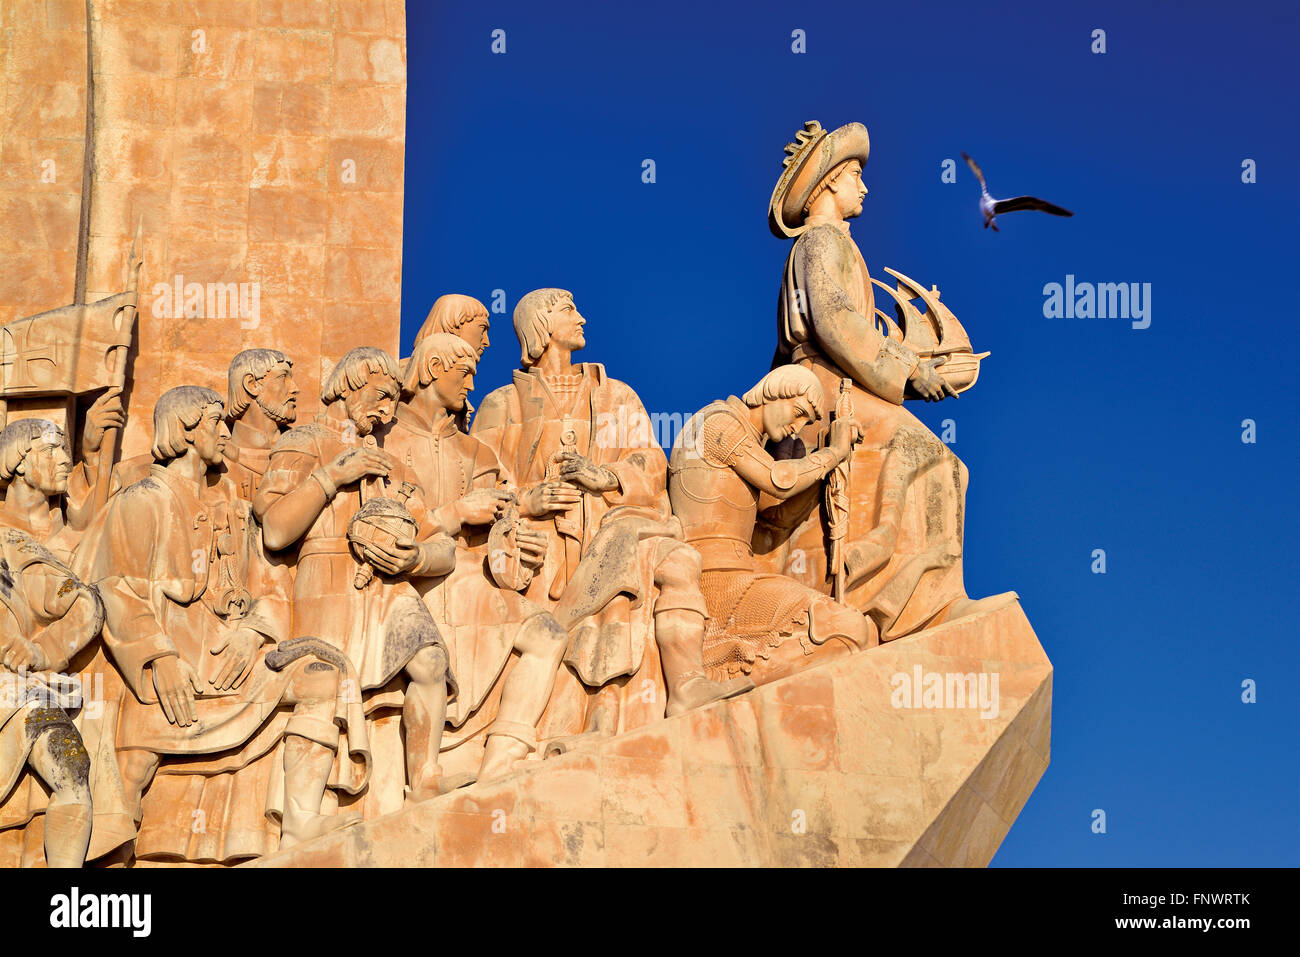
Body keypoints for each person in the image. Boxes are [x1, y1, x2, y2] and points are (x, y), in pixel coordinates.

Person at [74, 386, 368, 863]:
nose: (225, 432)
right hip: (170, 668)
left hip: (235, 658)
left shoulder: (230, 501)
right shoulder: (142, 501)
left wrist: (254, 630)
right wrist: (159, 658)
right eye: (216, 423)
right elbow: (116, 588)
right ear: (186, 430)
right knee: (129, 770)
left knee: (322, 680)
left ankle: (300, 822)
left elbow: (269, 584)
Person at [767, 120, 1011, 640]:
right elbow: (836, 325)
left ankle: (924, 596)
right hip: (823, 385)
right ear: (829, 181)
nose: (866, 186)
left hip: (839, 380)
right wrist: (913, 372)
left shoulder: (836, 244)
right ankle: (910, 606)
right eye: (856, 174)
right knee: (926, 452)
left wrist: (923, 363)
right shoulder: (820, 241)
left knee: (942, 462)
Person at [472, 289, 749, 738]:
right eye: (568, 310)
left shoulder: (616, 395)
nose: (581, 318)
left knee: (676, 560)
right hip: (539, 551)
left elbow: (651, 462)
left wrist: (605, 476)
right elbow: (478, 485)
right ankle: (564, 731)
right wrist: (529, 500)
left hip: (613, 525)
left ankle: (686, 684)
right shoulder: (500, 404)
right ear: (540, 324)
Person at [255, 348, 459, 813]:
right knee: (331, 692)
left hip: (390, 588)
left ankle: (425, 777)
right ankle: (308, 815)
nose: (388, 410)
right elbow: (276, 529)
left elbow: (442, 545)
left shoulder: (394, 467)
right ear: (350, 382)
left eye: (394, 402)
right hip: (326, 582)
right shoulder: (302, 442)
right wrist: (332, 476)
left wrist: (415, 558)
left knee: (430, 660)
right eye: (382, 395)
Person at [385, 333, 570, 784]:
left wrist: (518, 544)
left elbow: (506, 516)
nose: (472, 383)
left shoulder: (476, 452)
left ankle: (499, 765)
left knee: (548, 634)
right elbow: (385, 530)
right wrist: (455, 513)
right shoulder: (384, 441)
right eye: (463, 372)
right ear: (431, 370)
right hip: (418, 581)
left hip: (474, 580)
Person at [669, 367, 876, 683]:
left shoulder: (749, 441)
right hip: (715, 581)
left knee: (852, 631)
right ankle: (731, 682)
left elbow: (777, 516)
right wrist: (833, 452)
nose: (797, 426)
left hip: (738, 578)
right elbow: (778, 480)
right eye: (798, 413)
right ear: (775, 391)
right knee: (845, 628)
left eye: (805, 422)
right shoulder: (718, 423)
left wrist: (828, 472)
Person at [0, 419, 105, 867]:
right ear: (18, 463)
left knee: (72, 770)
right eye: (51, 451)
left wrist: (43, 650)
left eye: (67, 450)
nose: (66, 461)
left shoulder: (16, 549)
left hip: (10, 693)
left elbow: (86, 605)